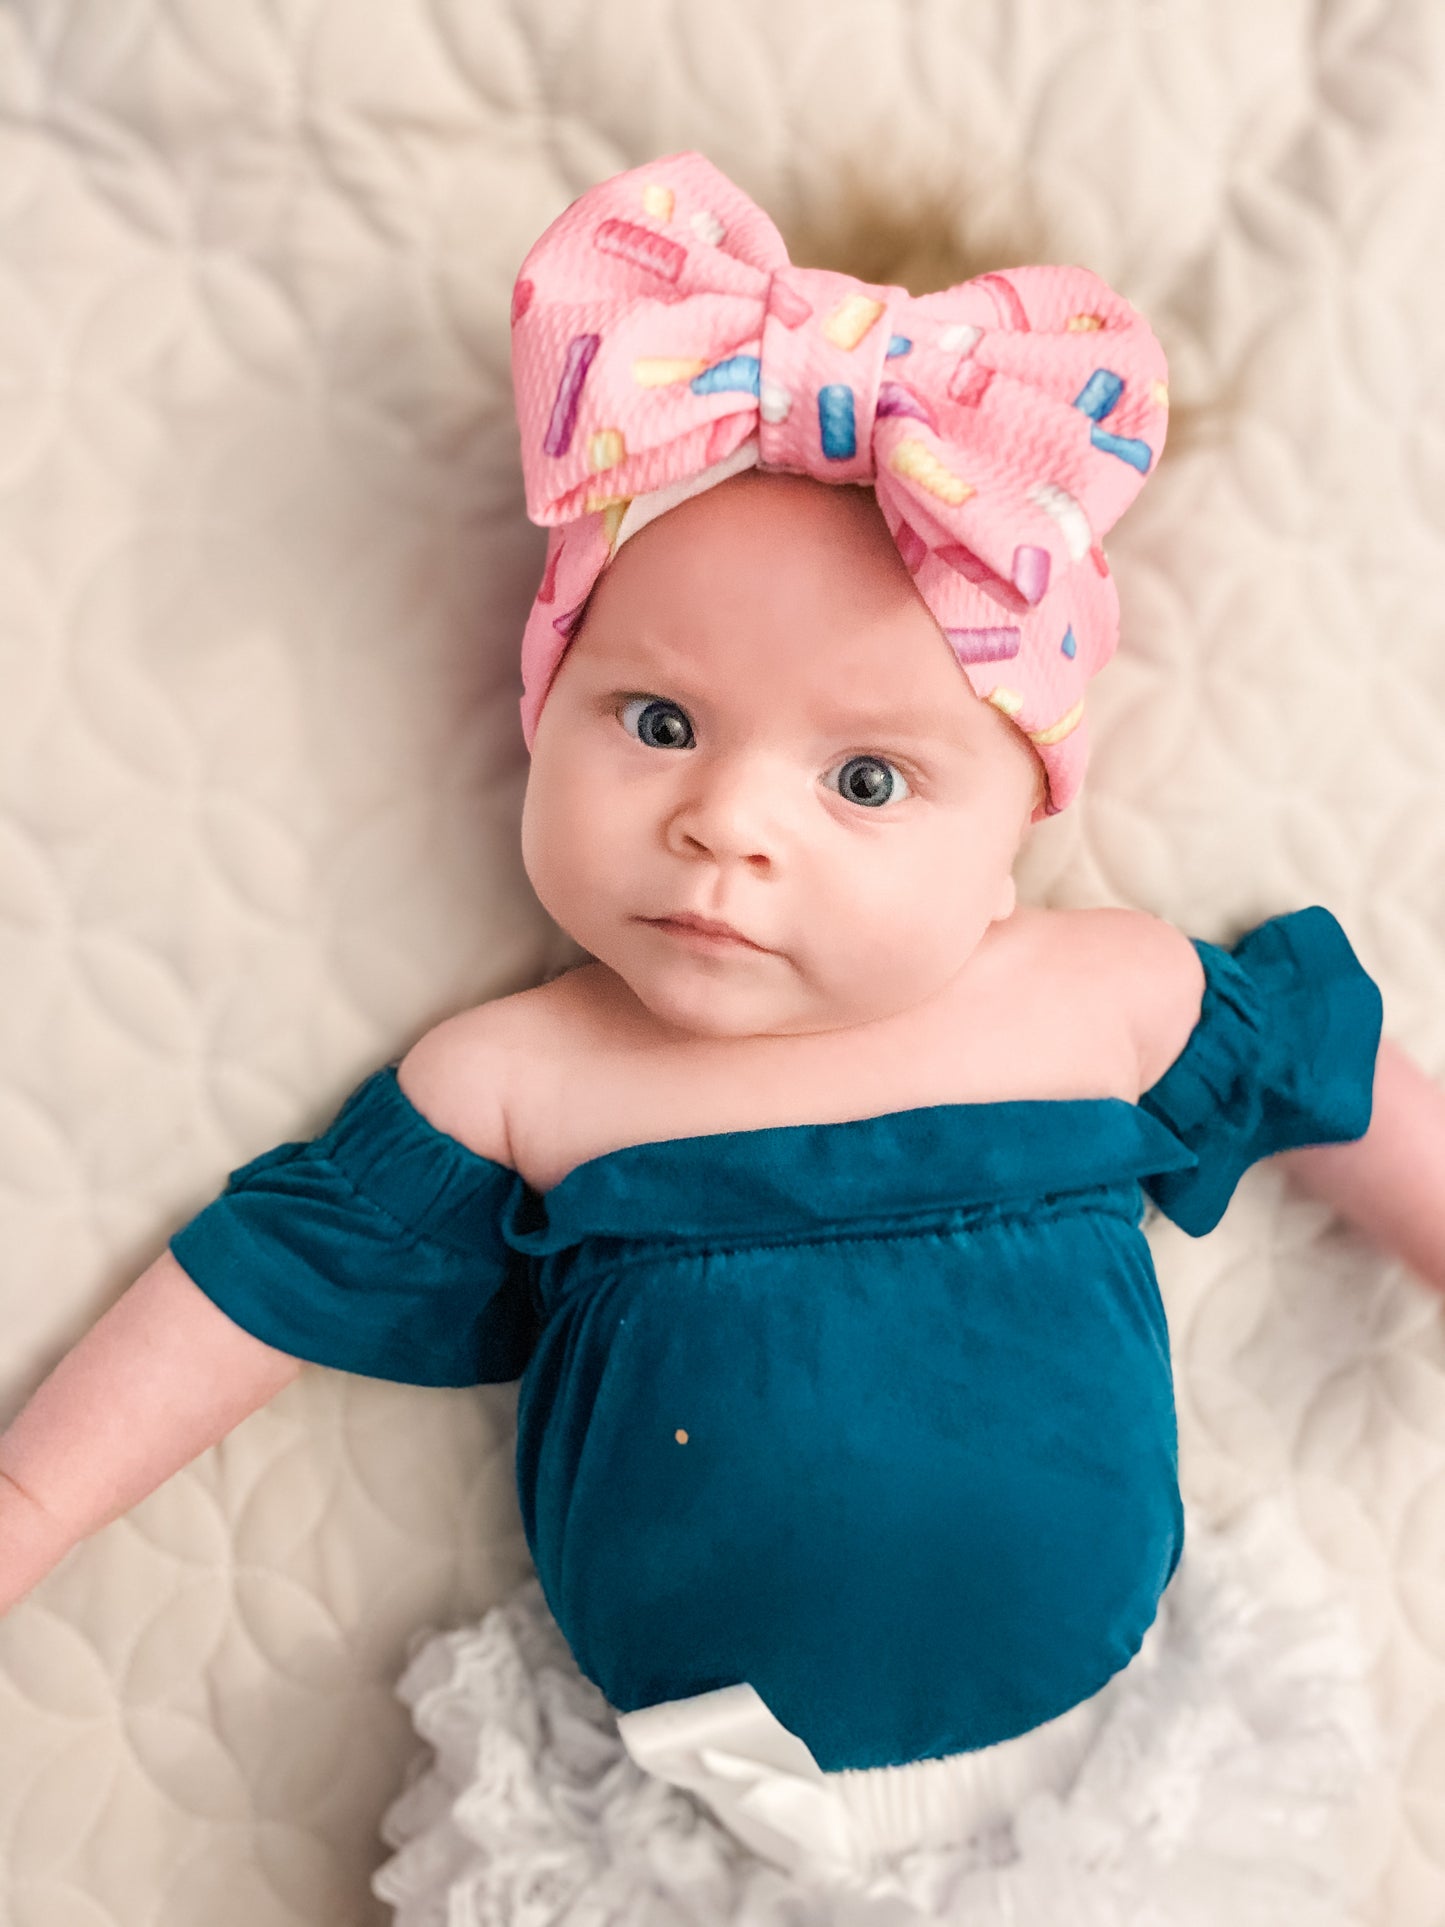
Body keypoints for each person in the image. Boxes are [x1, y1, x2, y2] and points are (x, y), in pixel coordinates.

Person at [2, 152, 1441, 1926]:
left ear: (1020, 822)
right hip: (686, 1825)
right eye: (659, 720)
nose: (726, 826)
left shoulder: (1093, 997)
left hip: (1116, 1796)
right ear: (545, 703)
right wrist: (31, 1496)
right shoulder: (524, 1077)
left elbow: (1338, 1078)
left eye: (863, 779)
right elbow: (250, 1283)